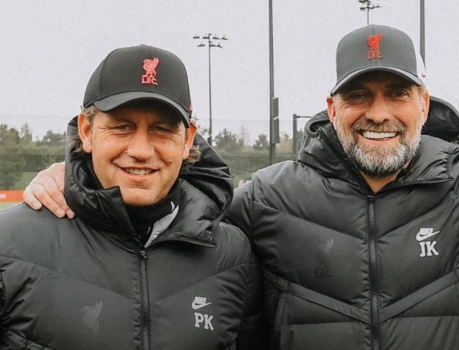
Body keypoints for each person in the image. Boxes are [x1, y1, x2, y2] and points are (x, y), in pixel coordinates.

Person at [23, 27, 459, 349]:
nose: (379, 111)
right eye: (360, 95)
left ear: (423, 104)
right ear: (332, 105)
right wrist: (75, 178)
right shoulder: (270, 196)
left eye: (396, 92)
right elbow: (174, 197)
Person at [0, 45, 263, 349]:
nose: (141, 151)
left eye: (162, 129)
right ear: (87, 131)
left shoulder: (233, 255)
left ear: (188, 139)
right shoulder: (9, 245)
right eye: (122, 127)